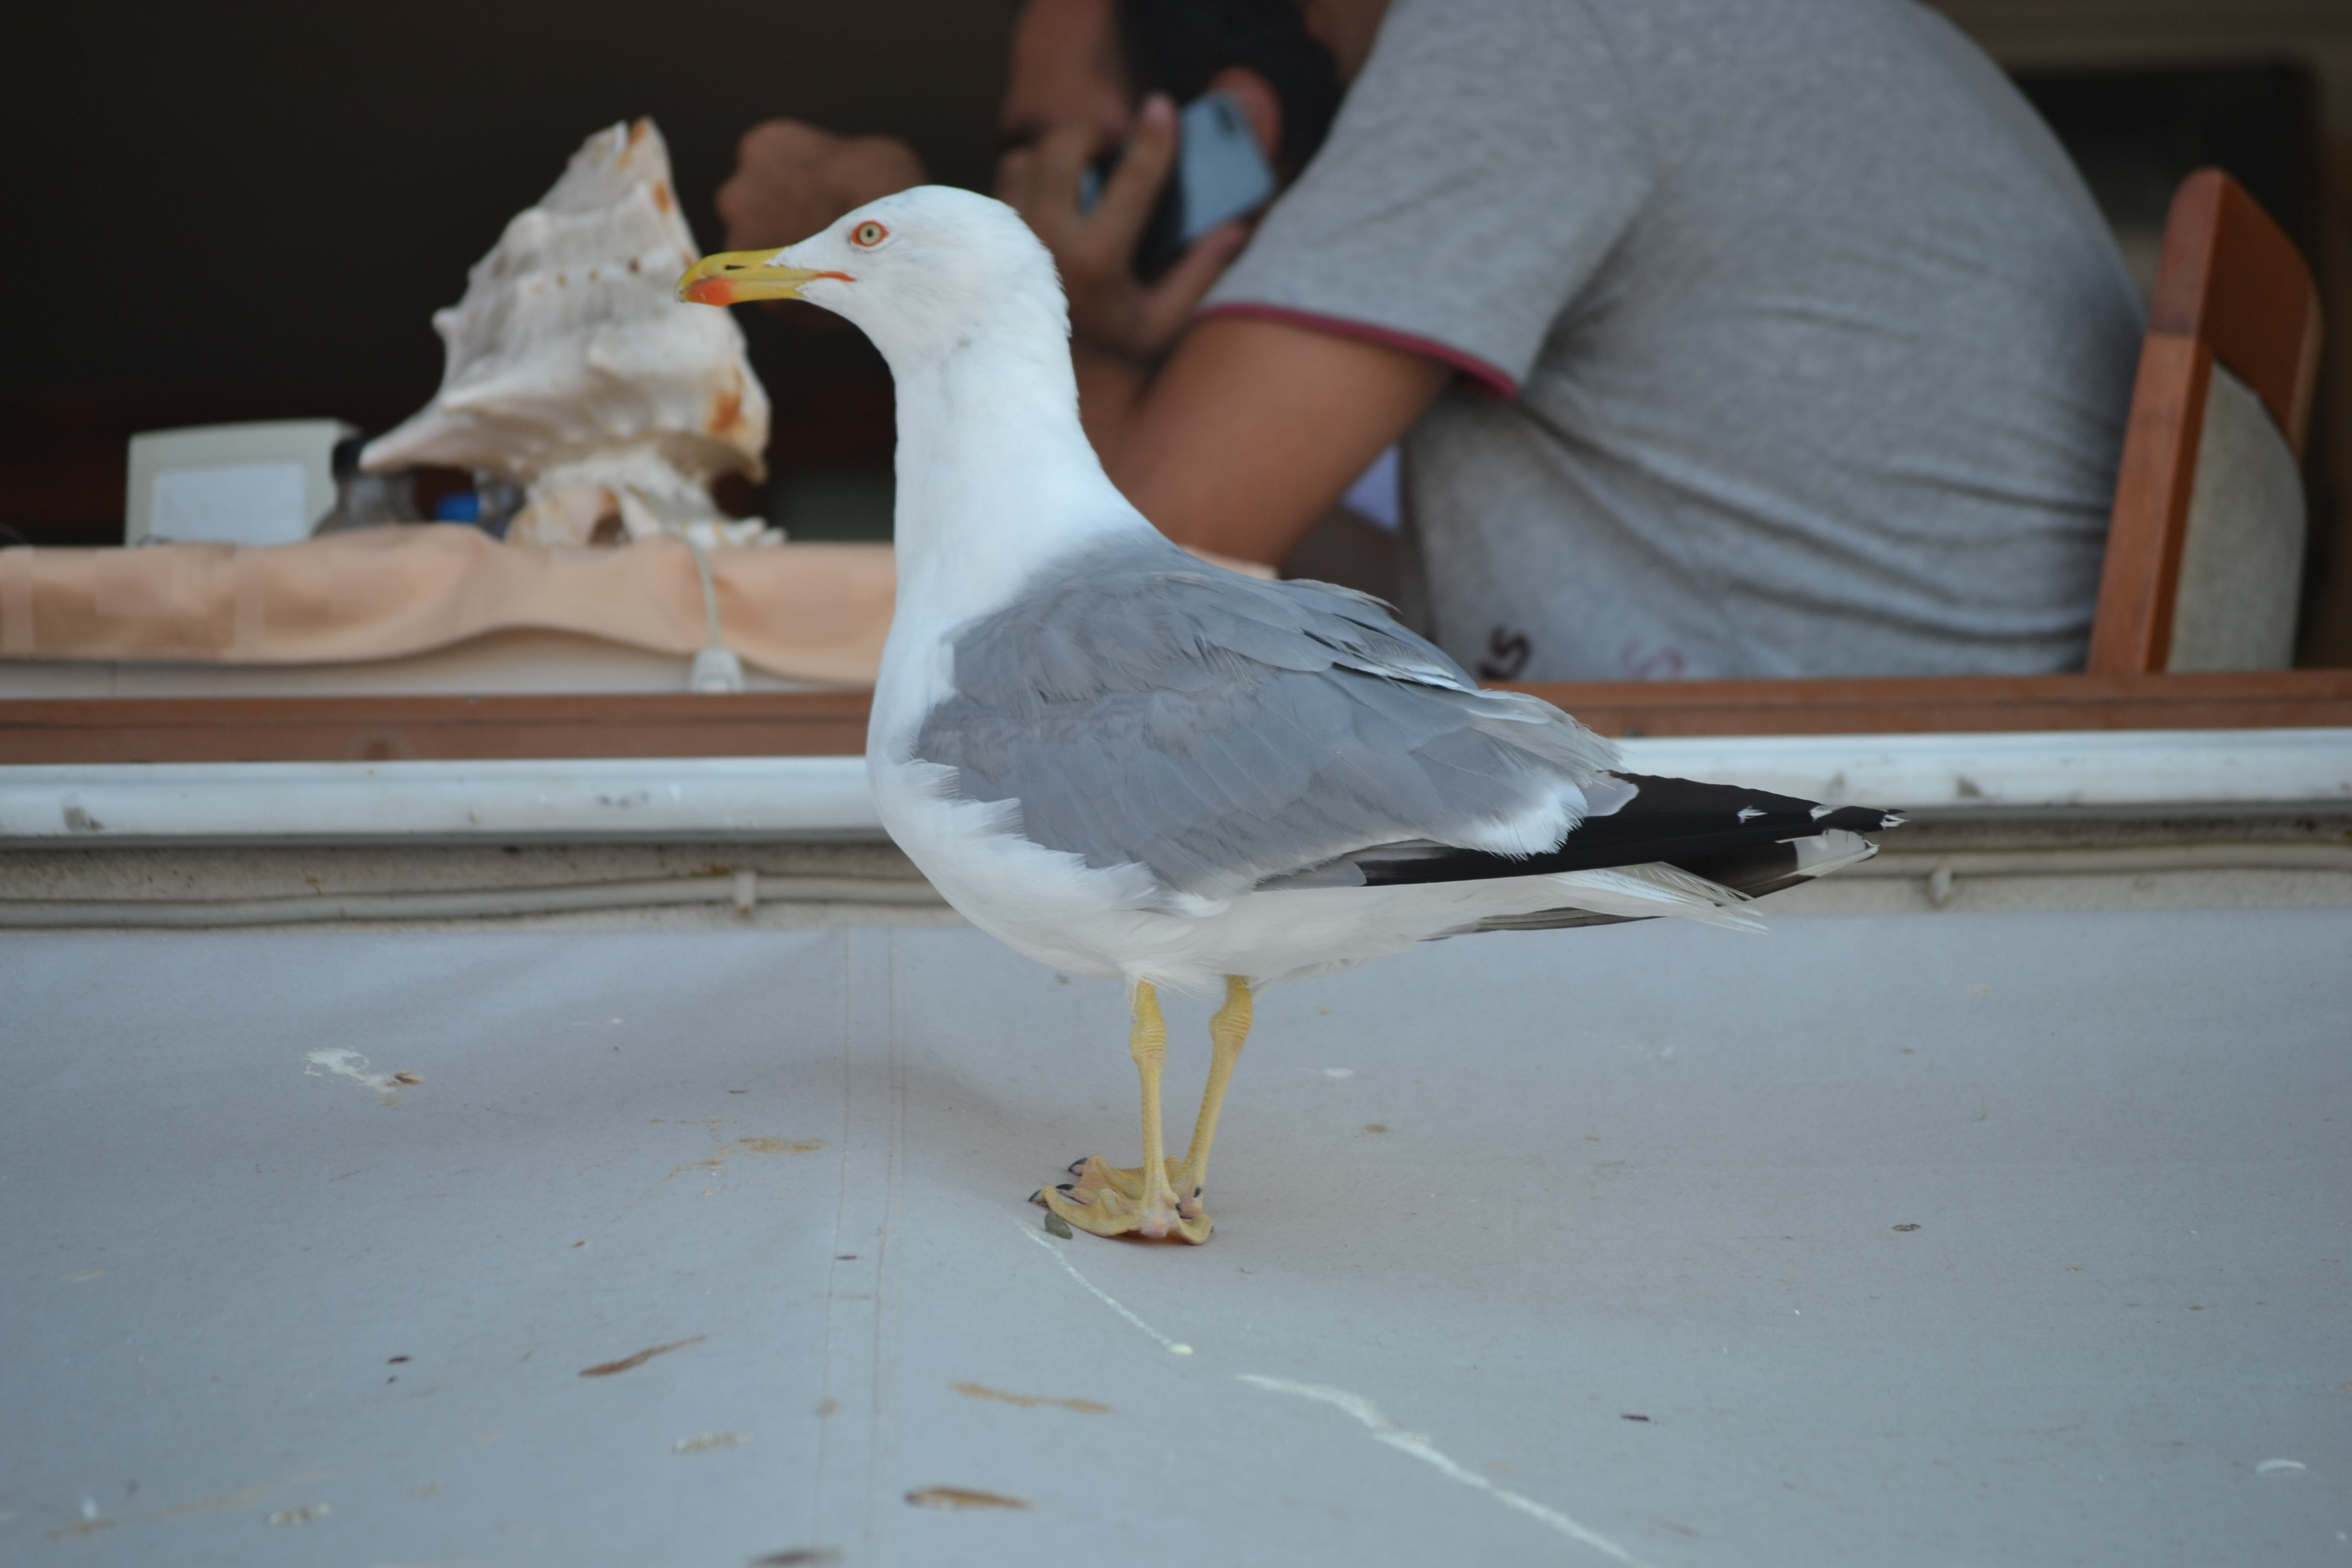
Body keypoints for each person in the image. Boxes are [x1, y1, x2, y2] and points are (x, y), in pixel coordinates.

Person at [731, 0, 2147, 681]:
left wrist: (947, 268)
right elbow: (1297, 574)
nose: (1046, 199)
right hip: (1873, 778)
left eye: (1059, 156)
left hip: (1825, 812)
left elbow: (1123, 584)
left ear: (1214, 114)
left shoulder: (1526, 39)